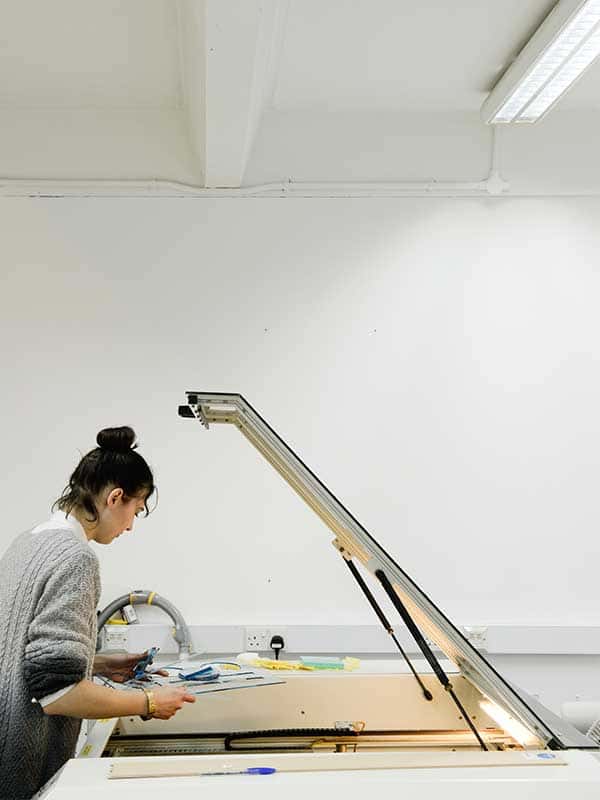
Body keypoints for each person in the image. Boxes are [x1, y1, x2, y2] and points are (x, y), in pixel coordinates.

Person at [0, 426, 196, 799]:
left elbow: (24, 658)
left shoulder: (29, 540)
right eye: (134, 511)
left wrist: (100, 665)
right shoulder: (76, 558)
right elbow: (60, 695)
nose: (130, 526)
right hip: (19, 759)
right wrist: (150, 702)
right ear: (115, 497)